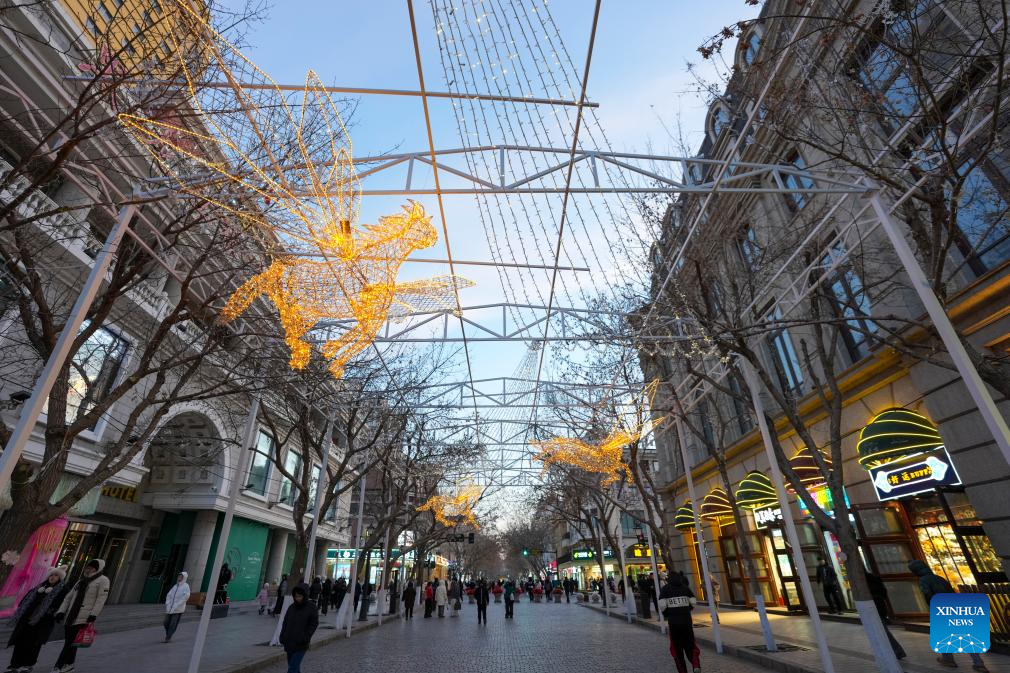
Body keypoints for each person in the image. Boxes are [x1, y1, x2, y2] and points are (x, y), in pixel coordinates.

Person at [909, 560, 988, 672]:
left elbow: (927, 594)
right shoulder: (940, 578)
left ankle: (949, 659)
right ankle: (978, 663)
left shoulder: (923, 580)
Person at [53, 558, 111, 673]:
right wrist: (61, 611)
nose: (89, 569)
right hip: (71, 616)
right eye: (88, 567)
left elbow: (101, 599)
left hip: (84, 617)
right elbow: (68, 597)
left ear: (98, 569)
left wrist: (93, 614)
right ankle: (69, 665)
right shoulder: (81, 581)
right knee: (71, 642)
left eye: (92, 568)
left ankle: (58, 666)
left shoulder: (103, 580)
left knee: (69, 643)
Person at [5, 566, 67, 673]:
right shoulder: (40, 587)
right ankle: (14, 666)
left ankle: (28, 665)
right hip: (27, 619)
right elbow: (26, 599)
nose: (52, 577)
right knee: (20, 642)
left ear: (60, 578)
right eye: (51, 575)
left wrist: (51, 613)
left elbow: (62, 605)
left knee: (34, 644)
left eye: (56, 575)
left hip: (42, 622)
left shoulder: (62, 590)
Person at [659, 573, 701, 673]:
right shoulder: (685, 588)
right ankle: (695, 664)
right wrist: (688, 609)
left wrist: (667, 614)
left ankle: (682, 671)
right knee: (690, 645)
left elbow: (662, 605)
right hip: (687, 622)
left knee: (677, 649)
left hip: (674, 623)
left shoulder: (665, 589)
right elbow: (693, 602)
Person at [865, 570, 906, 660]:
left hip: (873, 607)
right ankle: (895, 651)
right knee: (882, 630)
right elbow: (884, 593)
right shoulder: (874, 579)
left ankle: (897, 651)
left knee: (882, 630)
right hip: (881, 606)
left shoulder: (864, 582)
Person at [279, 585, 318, 673]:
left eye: (300, 596)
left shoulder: (311, 608)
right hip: (289, 642)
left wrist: (305, 637)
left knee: (292, 668)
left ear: (305, 595)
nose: (297, 598)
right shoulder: (291, 607)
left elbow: (313, 624)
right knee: (293, 667)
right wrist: (282, 636)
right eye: (296, 596)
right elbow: (285, 622)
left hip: (301, 644)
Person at [163, 571, 191, 642]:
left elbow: (186, 596)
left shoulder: (186, 586)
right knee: (166, 622)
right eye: (179, 576)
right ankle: (168, 634)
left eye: (181, 576)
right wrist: (168, 603)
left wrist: (177, 604)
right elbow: (169, 595)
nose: (179, 577)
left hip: (178, 609)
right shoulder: (175, 586)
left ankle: (168, 637)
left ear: (184, 578)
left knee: (173, 623)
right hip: (170, 608)